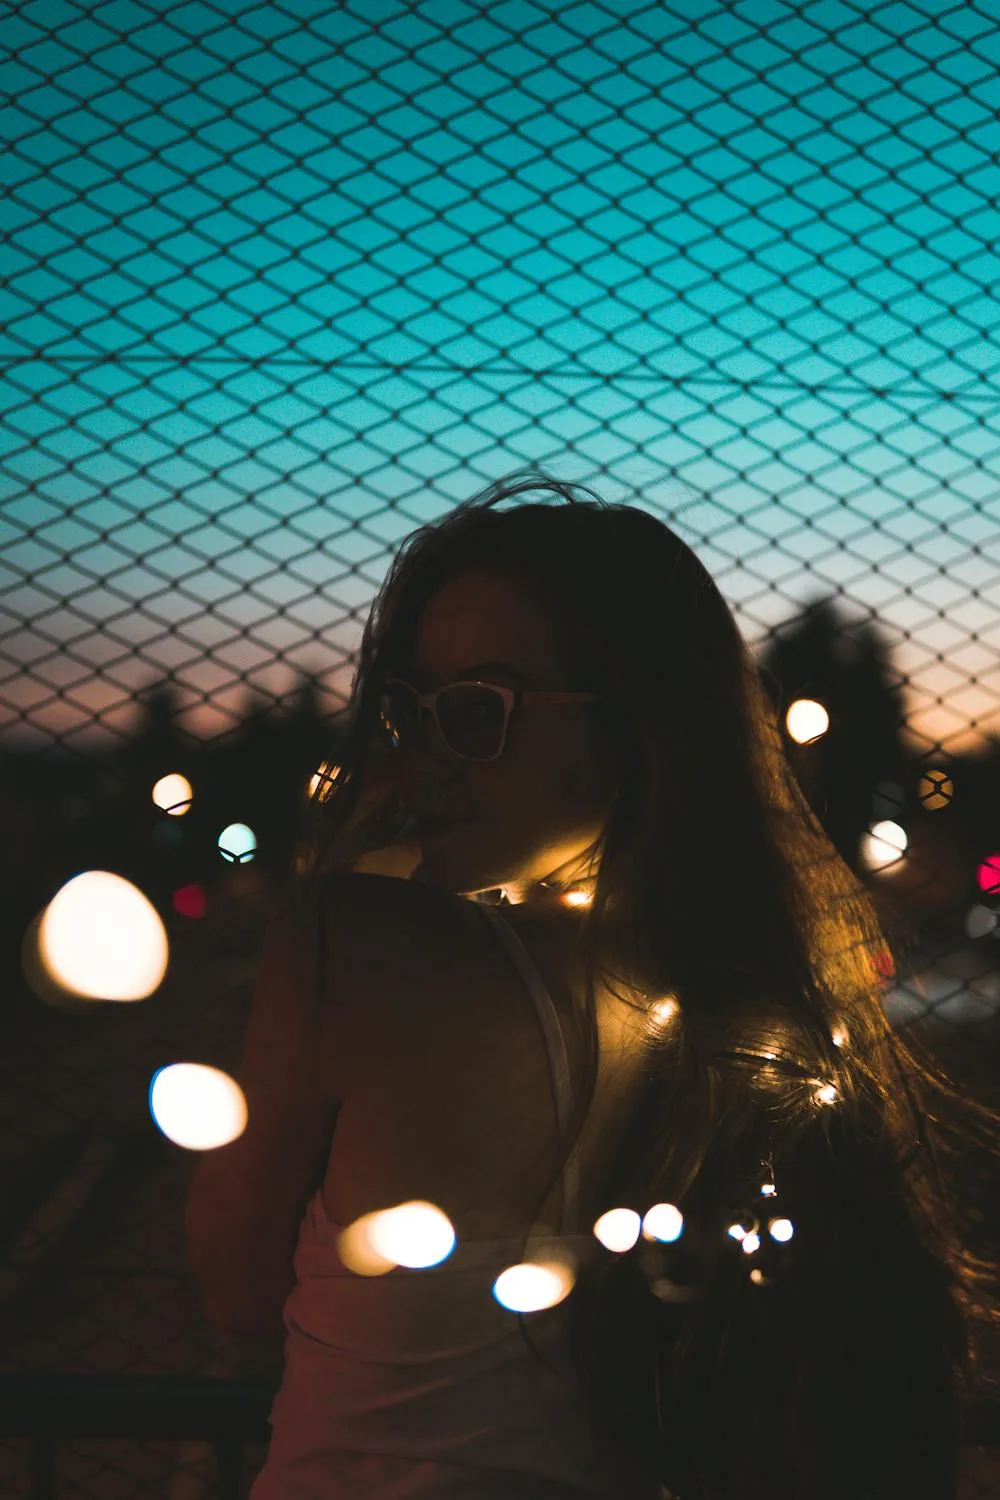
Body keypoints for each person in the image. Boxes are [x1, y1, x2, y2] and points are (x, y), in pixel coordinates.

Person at [194, 472, 998, 1499]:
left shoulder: (352, 943)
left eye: (478, 712)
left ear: (633, 723)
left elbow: (236, 1290)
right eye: (406, 712)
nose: (419, 765)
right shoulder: (767, 1007)